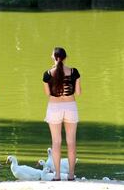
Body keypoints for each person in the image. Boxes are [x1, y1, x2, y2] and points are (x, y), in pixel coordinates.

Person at [42, 47, 81, 181]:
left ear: (53, 57)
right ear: (65, 57)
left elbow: (47, 93)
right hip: (70, 107)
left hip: (54, 108)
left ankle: (57, 175)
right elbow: (78, 92)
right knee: (71, 142)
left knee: (56, 142)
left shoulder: (47, 74)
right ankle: (71, 175)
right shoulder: (74, 72)